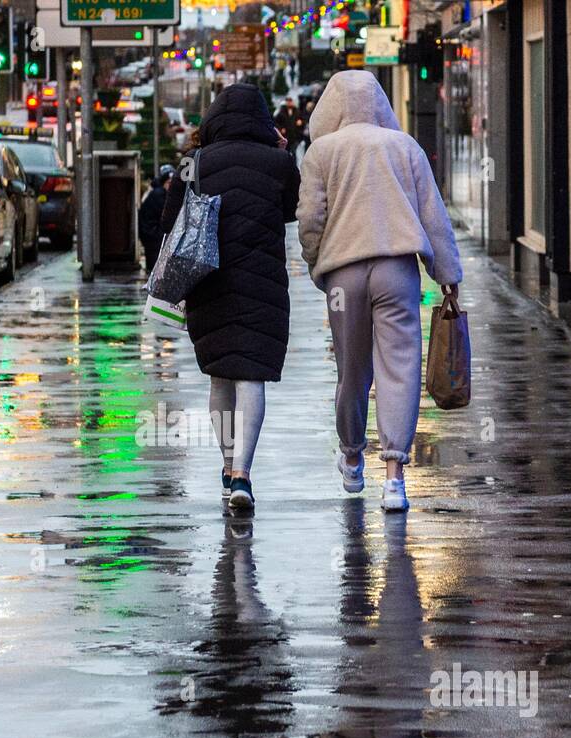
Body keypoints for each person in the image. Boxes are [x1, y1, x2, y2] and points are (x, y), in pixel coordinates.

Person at [297, 70, 462, 512]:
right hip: (398, 269)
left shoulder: (322, 152)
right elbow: (433, 215)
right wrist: (446, 273)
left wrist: (317, 263)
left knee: (352, 370)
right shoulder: (405, 147)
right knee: (400, 367)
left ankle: (352, 456)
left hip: (343, 276)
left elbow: (310, 218)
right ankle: (394, 477)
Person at [161, 83, 300, 513]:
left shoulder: (195, 162)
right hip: (262, 284)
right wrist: (282, 149)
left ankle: (226, 468)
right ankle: (243, 475)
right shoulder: (278, 163)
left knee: (220, 375)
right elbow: (292, 209)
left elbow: (168, 221)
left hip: (209, 282)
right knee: (251, 376)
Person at [138, 164, 174, 272]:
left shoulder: (155, 193)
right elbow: (165, 216)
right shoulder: (160, 195)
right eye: (169, 183)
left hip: (150, 234)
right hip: (154, 235)